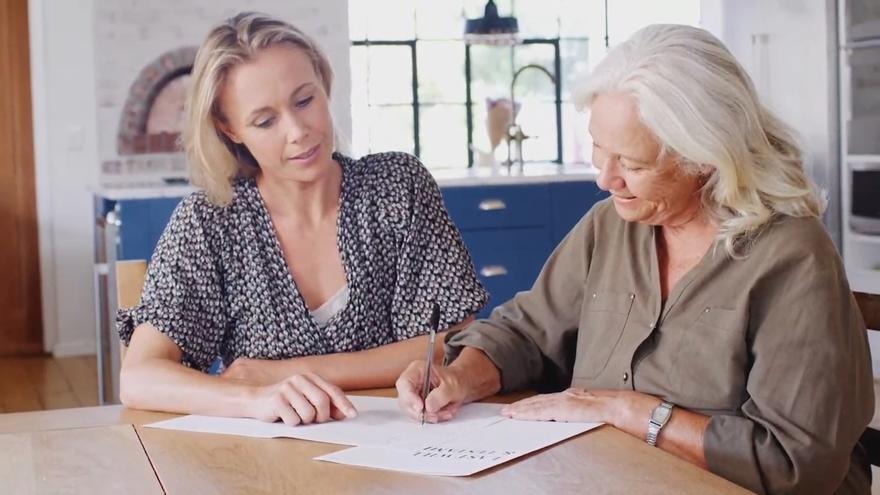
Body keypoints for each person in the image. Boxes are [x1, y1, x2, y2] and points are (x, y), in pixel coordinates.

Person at [396, 24, 874, 494]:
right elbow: (527, 334)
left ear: (705, 156)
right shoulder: (609, 226)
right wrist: (460, 376)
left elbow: (792, 462)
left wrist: (627, 411)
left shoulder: (793, 255)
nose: (605, 179)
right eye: (598, 149)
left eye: (632, 163)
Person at [117, 12, 487, 426]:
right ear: (229, 128)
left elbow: (451, 346)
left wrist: (287, 372)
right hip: (268, 456)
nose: (297, 131)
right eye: (265, 121)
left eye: (305, 101)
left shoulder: (397, 186)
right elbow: (139, 378)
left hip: (404, 441)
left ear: (323, 83)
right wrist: (255, 398)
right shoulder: (209, 222)